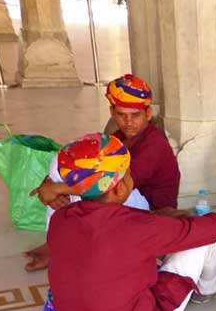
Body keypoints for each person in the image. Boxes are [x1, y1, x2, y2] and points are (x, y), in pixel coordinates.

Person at [0, 133, 216, 311]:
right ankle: (210, 289)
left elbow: (113, 225)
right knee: (202, 240)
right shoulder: (137, 228)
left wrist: (158, 219)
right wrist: (180, 221)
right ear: (120, 187)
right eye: (128, 172)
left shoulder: (62, 218)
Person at [24, 74, 181, 272]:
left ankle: (58, 245)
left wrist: (52, 189)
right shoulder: (117, 138)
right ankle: (57, 243)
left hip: (152, 211)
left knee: (89, 186)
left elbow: (113, 185)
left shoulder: (154, 143)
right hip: (124, 197)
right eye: (122, 115)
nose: (128, 122)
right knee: (63, 164)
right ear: (112, 113)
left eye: (135, 115)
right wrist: (52, 186)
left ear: (148, 113)